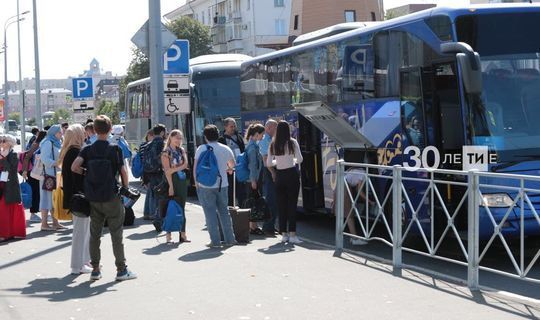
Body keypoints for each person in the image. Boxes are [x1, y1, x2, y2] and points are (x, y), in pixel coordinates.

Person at [71, 115, 136, 281]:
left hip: (93, 197)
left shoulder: (88, 149)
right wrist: (125, 188)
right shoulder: (115, 149)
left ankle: (95, 270)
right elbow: (123, 171)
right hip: (111, 196)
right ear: (110, 129)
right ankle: (121, 270)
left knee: (95, 234)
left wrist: (87, 173)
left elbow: (74, 166)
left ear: (94, 129)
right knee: (116, 234)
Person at [194, 124, 237, 248]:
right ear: (218, 135)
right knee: (224, 212)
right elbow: (232, 165)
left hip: (205, 185)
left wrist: (196, 182)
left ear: (205, 136)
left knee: (210, 214)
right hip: (222, 184)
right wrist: (228, 169)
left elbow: (196, 168)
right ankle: (230, 239)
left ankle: (215, 241)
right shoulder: (225, 148)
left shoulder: (201, 148)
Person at [59, 124, 92, 274]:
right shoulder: (76, 152)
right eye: (83, 133)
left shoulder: (69, 152)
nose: (85, 134)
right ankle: (77, 265)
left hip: (75, 197)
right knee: (81, 232)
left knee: (83, 231)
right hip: (80, 197)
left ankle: (84, 261)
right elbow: (79, 175)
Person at [267, 120, 303, 244]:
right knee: (292, 204)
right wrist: (290, 160)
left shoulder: (273, 144)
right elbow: (299, 159)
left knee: (281, 205)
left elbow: (269, 163)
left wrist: (278, 161)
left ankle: (284, 234)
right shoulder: (292, 142)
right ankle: (293, 235)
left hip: (279, 176)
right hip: (291, 174)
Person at [159, 129, 189, 244]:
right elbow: (167, 172)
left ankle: (183, 234)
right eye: (177, 138)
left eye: (180, 138)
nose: (179, 140)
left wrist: (174, 169)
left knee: (181, 207)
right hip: (170, 182)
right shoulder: (166, 152)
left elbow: (185, 164)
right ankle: (168, 235)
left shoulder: (181, 150)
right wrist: (171, 186)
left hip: (181, 180)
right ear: (170, 137)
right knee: (170, 208)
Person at [0, 134, 26, 242]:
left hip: (10, 186)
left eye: (3, 140)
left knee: (7, 209)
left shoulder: (14, 154)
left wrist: (3, 158)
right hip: (2, 184)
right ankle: (5, 233)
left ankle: (7, 234)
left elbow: (11, 169)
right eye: (1, 140)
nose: (1, 142)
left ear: (9, 142)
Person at [39, 125, 65, 231]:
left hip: (53, 175)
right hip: (48, 176)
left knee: (53, 198)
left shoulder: (54, 142)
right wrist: (56, 163)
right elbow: (45, 159)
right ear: (54, 133)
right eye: (59, 132)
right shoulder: (48, 142)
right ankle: (44, 224)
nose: (61, 134)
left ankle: (55, 222)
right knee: (46, 198)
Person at [218, 117, 246, 207]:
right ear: (225, 127)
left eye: (234, 126)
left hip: (239, 169)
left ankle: (242, 213)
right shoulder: (221, 140)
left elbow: (243, 151)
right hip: (229, 171)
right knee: (230, 193)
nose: (233, 128)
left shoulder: (239, 138)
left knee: (241, 193)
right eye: (231, 126)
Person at [243, 123, 265, 235]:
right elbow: (252, 165)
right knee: (253, 202)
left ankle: (253, 225)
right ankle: (252, 226)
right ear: (256, 134)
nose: (262, 137)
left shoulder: (252, 145)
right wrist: (253, 180)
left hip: (253, 179)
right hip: (252, 179)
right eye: (262, 134)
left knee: (254, 201)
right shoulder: (252, 147)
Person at [144, 124, 166, 228]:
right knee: (163, 196)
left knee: (155, 195)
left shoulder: (148, 144)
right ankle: (159, 219)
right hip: (161, 172)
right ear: (162, 132)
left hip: (151, 172)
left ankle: (155, 215)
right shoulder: (163, 144)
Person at [22, 130, 47, 222]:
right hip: (33, 172)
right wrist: (24, 171)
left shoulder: (37, 143)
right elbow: (27, 157)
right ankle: (33, 214)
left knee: (37, 192)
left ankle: (38, 212)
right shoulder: (36, 144)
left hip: (35, 172)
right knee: (35, 193)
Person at [259, 119, 278, 235]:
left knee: (274, 200)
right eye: (275, 128)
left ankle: (271, 226)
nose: (277, 130)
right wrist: (273, 173)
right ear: (269, 128)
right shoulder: (265, 140)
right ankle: (268, 227)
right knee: (271, 200)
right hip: (268, 171)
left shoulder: (271, 139)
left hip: (271, 170)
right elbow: (266, 160)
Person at [140, 129, 155, 220]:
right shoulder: (147, 146)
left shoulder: (143, 145)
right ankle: (150, 213)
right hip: (149, 172)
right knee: (151, 192)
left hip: (145, 172)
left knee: (149, 192)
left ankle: (147, 212)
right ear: (149, 135)